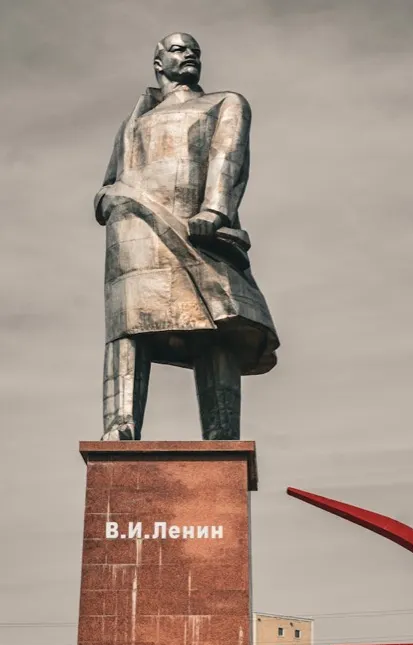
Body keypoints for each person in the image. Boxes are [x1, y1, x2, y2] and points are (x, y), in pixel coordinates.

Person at [95, 32, 279, 440]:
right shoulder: (134, 119)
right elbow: (111, 178)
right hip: (133, 229)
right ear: (159, 63)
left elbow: (228, 156)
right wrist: (106, 199)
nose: (190, 54)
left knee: (214, 323)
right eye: (179, 49)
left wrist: (215, 209)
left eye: (194, 50)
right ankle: (119, 425)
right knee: (129, 324)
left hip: (196, 229)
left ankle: (221, 435)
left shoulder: (223, 102)